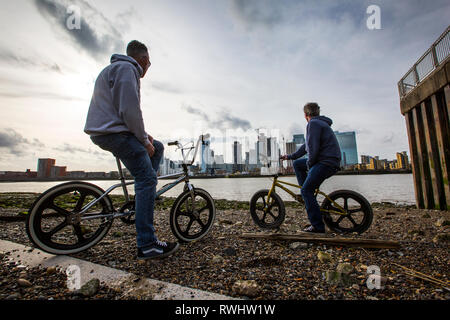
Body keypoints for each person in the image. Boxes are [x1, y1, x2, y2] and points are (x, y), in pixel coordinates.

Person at [84, 40, 179, 259]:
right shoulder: (128, 69)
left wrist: (146, 138)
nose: (147, 68)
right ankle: (147, 244)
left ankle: (144, 197)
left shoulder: (114, 68)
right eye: (149, 63)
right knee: (146, 177)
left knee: (158, 147)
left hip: (111, 131)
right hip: (114, 134)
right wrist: (143, 141)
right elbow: (129, 109)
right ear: (144, 60)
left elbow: (123, 110)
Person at [281, 102, 341, 233]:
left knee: (306, 190)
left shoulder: (312, 124)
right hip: (330, 161)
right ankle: (307, 195)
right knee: (297, 164)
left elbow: (313, 149)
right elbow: (306, 147)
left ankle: (317, 226)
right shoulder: (320, 124)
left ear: (305, 115)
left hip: (325, 162)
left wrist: (310, 165)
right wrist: (289, 156)